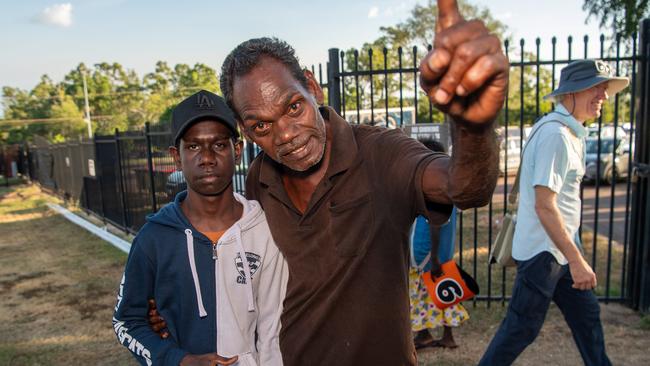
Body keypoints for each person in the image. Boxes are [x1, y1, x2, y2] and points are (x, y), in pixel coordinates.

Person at [151, 1, 507, 364]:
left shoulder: (381, 153)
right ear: (246, 131)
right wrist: (171, 306)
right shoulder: (261, 177)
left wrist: (474, 127)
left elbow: (464, 187)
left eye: (293, 107)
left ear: (312, 87)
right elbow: (247, 271)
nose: (286, 135)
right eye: (262, 126)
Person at [112, 90, 287, 366]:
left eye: (218, 145)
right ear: (176, 157)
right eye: (193, 146)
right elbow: (127, 322)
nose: (207, 157)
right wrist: (178, 360)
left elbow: (272, 330)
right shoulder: (154, 238)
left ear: (237, 150)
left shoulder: (264, 230)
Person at [478, 59, 629, 366]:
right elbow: (544, 205)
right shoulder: (556, 136)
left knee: (587, 319)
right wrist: (577, 260)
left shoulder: (569, 133)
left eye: (604, 89)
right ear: (570, 93)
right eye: (595, 88)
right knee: (520, 330)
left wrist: (573, 255)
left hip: (558, 249)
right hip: (544, 255)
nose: (603, 95)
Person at [409, 139, 468, 350]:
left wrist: (432, 258)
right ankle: (442, 335)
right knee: (445, 296)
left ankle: (427, 334)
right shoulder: (448, 190)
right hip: (442, 253)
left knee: (424, 296)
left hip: (428, 255)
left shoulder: (433, 192)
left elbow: (434, 225)